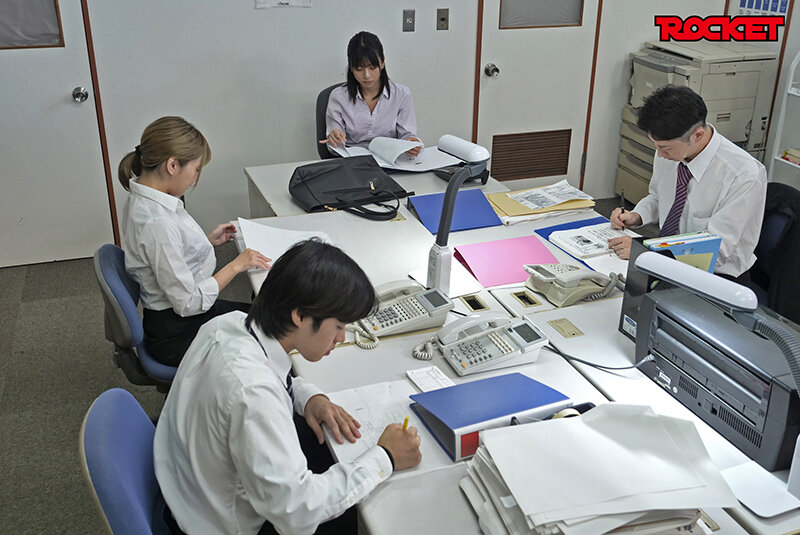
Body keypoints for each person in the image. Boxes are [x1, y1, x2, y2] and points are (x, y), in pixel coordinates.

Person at [153, 239, 422, 535]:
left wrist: (309, 398)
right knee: (372, 515)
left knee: (325, 446)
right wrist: (386, 457)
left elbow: (270, 374)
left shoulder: (227, 325)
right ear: (300, 315)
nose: (342, 338)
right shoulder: (254, 394)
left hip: (186, 486)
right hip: (217, 524)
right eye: (338, 326)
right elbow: (296, 514)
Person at [118, 116, 271, 366]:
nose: (195, 178)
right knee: (275, 332)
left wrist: (205, 242)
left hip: (177, 317)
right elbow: (188, 303)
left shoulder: (145, 197)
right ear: (172, 165)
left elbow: (164, 255)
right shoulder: (157, 221)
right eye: (196, 169)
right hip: (177, 333)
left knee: (269, 318)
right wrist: (235, 266)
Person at [608, 85, 766, 280]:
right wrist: (637, 215)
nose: (659, 154)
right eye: (656, 146)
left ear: (697, 135)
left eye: (665, 148)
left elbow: (716, 250)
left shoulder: (743, 175)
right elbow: (658, 197)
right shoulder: (671, 151)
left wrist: (644, 251)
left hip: (714, 275)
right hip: (664, 259)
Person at [321, 31, 422, 157]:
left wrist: (411, 144)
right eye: (359, 69)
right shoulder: (338, 97)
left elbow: (407, 136)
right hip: (352, 161)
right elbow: (334, 145)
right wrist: (335, 138)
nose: (366, 75)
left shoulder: (401, 95)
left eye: (372, 67)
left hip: (389, 160)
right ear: (351, 67)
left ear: (382, 62)